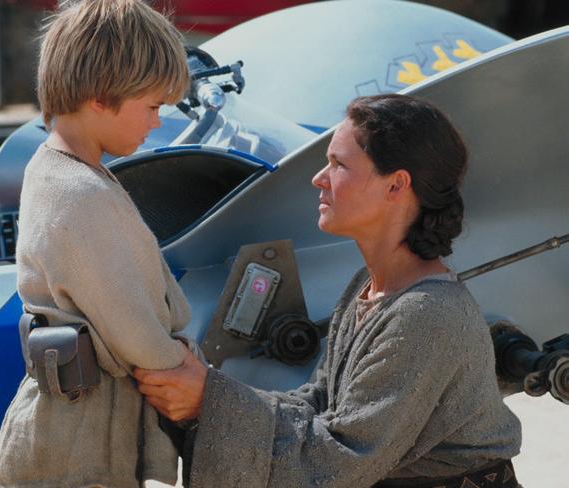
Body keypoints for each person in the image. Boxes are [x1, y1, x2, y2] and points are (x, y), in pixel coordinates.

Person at [135, 94, 523, 487]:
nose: (319, 178)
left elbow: (342, 457)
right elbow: (320, 403)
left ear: (396, 185)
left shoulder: (426, 313)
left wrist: (210, 399)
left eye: (338, 164)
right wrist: (208, 396)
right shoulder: (368, 286)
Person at [0, 1, 191, 487]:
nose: (157, 122)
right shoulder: (78, 193)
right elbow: (132, 331)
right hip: (79, 446)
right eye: (151, 107)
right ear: (102, 96)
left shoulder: (65, 171)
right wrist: (183, 369)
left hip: (81, 433)